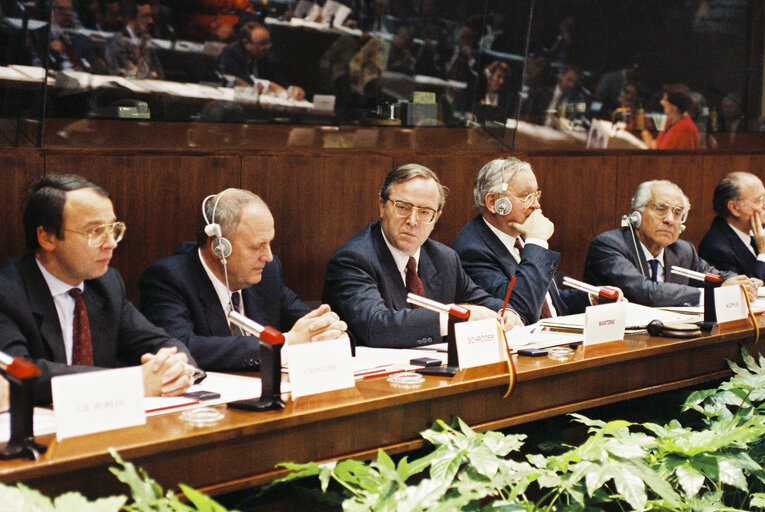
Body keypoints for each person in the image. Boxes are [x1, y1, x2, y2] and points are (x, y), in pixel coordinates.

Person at [0, 174, 198, 404]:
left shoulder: (106, 284)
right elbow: (18, 373)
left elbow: (161, 343)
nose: (111, 243)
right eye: (95, 231)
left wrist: (175, 368)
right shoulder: (8, 292)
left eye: (113, 229)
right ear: (47, 237)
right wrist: (130, 383)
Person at [140, 189, 346, 371]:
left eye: (269, 243)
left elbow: (305, 323)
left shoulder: (268, 272)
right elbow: (182, 348)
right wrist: (283, 343)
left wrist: (328, 331)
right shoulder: (168, 278)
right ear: (218, 247)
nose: (268, 256)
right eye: (257, 246)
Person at [323, 164, 523, 348]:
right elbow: (376, 326)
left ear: (436, 218)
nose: (412, 220)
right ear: (382, 207)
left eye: (425, 212)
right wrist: (453, 317)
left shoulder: (444, 258)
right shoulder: (353, 259)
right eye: (402, 207)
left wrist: (506, 313)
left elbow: (481, 300)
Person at [453, 157, 617, 324]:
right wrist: (537, 242)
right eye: (526, 196)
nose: (537, 205)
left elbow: (547, 301)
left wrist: (589, 298)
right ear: (494, 202)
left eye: (536, 195)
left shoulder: (522, 235)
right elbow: (520, 310)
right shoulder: (472, 249)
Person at [583, 180, 758, 307]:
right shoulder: (609, 245)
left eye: (677, 213)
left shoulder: (683, 250)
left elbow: (713, 276)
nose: (670, 220)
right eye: (660, 209)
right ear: (637, 215)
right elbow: (645, 292)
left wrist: (734, 282)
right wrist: (714, 294)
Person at [698, 172, 765, 281]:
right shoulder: (717, 249)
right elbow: (745, 289)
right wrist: (763, 253)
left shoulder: (755, 232)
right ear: (734, 208)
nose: (764, 206)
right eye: (759, 201)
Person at [216, 21, 305, 100]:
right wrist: (270, 85)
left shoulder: (267, 56)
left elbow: (277, 79)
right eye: (261, 44)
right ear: (246, 43)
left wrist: (291, 89)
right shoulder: (230, 54)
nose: (266, 47)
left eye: (267, 43)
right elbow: (241, 81)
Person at [104, 0, 164, 78]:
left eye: (150, 16)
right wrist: (151, 74)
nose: (150, 21)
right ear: (130, 19)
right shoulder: (115, 41)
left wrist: (142, 72)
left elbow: (160, 75)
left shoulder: (147, 40)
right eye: (145, 16)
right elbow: (127, 74)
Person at [641, 84, 698, 150]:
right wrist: (650, 141)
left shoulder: (687, 129)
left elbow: (684, 158)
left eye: (665, 100)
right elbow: (659, 146)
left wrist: (651, 144)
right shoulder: (669, 121)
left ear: (675, 107)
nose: (661, 102)